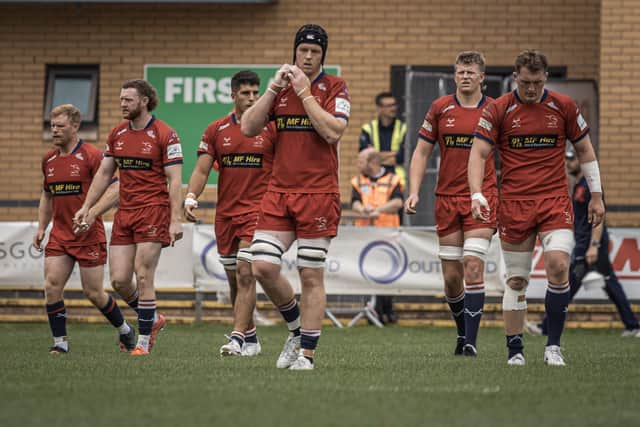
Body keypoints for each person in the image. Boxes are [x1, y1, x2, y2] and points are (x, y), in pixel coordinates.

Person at [469, 50, 605, 366]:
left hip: (554, 200)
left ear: (546, 78)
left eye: (538, 82)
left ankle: (553, 347)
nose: (531, 89)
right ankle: (515, 350)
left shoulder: (563, 106)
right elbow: (478, 154)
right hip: (515, 204)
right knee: (516, 280)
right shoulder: (499, 109)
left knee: (558, 265)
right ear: (516, 77)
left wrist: (597, 195)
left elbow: (585, 150)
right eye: (526, 82)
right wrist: (477, 194)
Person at [241, 24, 350, 370]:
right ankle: (295, 330)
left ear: (323, 56)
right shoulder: (281, 87)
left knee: (310, 275)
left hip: (318, 194)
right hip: (279, 193)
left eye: (315, 52)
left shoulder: (335, 87)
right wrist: (273, 88)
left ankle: (307, 355)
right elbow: (248, 127)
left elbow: (333, 132)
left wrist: (305, 95)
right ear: (294, 51)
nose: (307, 56)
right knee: (262, 265)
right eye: (302, 50)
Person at [74, 79, 184, 356]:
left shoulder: (165, 134)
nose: (122, 104)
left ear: (145, 101)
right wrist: (87, 206)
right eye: (121, 99)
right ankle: (154, 318)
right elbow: (103, 174)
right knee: (120, 280)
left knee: (143, 275)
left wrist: (176, 218)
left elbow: (174, 181)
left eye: (128, 100)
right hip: (125, 213)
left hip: (154, 210)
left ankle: (143, 343)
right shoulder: (118, 133)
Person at [405, 51, 496, 357]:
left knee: (472, 265)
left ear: (482, 77)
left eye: (471, 72)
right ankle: (462, 332)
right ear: (455, 75)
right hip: (446, 199)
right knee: (451, 277)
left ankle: (471, 342)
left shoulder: (495, 110)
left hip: (482, 197)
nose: (465, 76)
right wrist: (414, 191)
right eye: (460, 72)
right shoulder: (440, 108)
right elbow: (421, 152)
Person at [184, 70, 276, 356]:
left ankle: (236, 337)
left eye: (255, 93)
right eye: (245, 93)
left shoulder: (272, 128)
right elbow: (201, 170)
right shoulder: (216, 129)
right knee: (235, 277)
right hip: (226, 214)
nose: (251, 98)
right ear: (233, 95)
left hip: (258, 212)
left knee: (247, 272)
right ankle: (250, 338)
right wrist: (190, 196)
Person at [33, 104, 134, 354]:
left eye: (60, 126)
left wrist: (90, 214)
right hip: (59, 235)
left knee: (94, 293)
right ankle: (60, 343)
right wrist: (41, 227)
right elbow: (47, 196)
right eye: (52, 125)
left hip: (88, 235)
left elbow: (114, 189)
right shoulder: (49, 160)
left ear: (75, 126)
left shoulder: (92, 155)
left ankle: (125, 330)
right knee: (52, 285)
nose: (54, 130)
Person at [527, 148, 640, 337]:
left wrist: (593, 247)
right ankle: (632, 325)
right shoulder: (579, 184)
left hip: (591, 245)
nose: (567, 163)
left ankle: (546, 327)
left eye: (571, 160)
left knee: (569, 284)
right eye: (566, 160)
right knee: (608, 284)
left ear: (580, 161)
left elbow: (599, 218)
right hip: (583, 243)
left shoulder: (590, 186)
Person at [351, 147, 403, 324]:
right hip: (365, 236)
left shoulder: (393, 179)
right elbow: (355, 202)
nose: (357, 164)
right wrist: (363, 210)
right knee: (367, 272)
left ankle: (387, 311)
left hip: (387, 235)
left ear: (373, 162)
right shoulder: (357, 181)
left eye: (361, 161)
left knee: (388, 275)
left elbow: (398, 202)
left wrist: (377, 211)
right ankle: (372, 310)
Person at [359, 92, 407, 186]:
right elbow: (365, 157)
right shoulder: (368, 129)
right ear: (379, 108)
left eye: (394, 105)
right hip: (372, 178)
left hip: (397, 180)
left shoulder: (403, 128)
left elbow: (401, 157)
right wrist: (393, 153)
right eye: (389, 106)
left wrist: (375, 156)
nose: (393, 108)